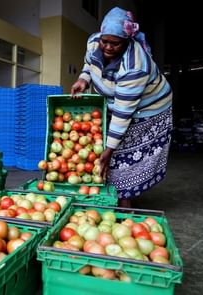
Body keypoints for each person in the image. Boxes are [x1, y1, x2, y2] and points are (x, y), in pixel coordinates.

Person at [71, 7, 173, 208]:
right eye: (105, 41)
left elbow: (122, 114)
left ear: (127, 41)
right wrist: (83, 78)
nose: (108, 47)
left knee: (121, 154)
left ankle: (125, 203)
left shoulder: (135, 66)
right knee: (112, 149)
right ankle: (115, 195)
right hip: (117, 103)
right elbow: (89, 62)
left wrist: (109, 150)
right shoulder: (93, 42)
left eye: (115, 43)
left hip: (150, 109)